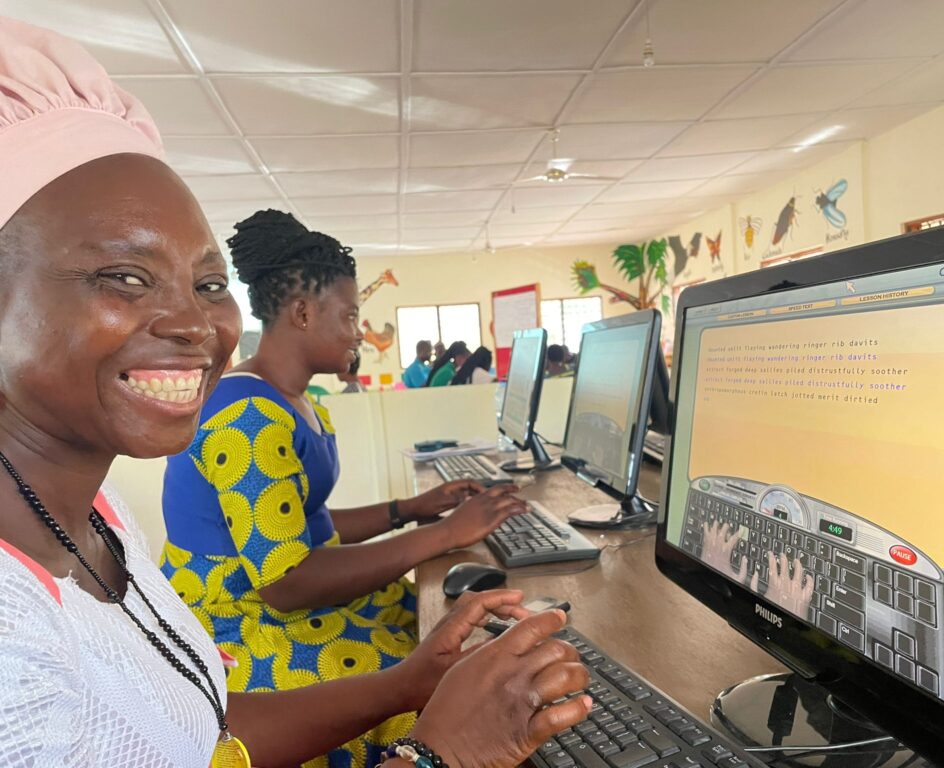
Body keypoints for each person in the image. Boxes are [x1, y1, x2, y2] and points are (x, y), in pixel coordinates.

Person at [0, 17, 590, 767]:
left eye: (208, 284)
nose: (192, 321)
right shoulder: (13, 654)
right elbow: (283, 583)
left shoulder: (99, 525)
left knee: (423, 633)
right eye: (123, 276)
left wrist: (410, 679)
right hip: (262, 624)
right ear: (305, 311)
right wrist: (437, 752)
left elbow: (198, 725)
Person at [160, 209, 533, 766]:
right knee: (437, 689)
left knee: (437, 623)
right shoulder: (248, 417)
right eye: (352, 315)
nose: (359, 332)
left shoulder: (290, 400)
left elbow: (310, 523)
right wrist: (444, 536)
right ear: (304, 312)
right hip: (236, 625)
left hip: (268, 597)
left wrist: (410, 509)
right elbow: (286, 580)